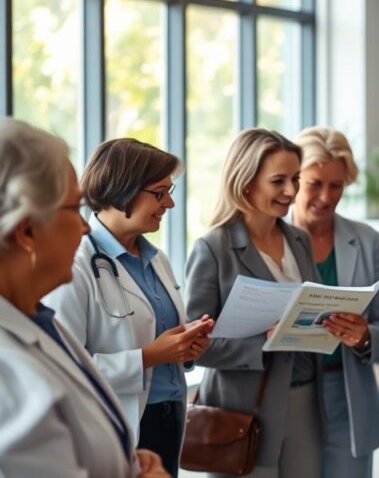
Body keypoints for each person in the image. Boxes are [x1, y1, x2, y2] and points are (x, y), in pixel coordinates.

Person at [0, 118, 169, 477]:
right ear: (27, 230)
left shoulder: (37, 320)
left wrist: (126, 460)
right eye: (74, 209)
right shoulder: (6, 371)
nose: (86, 225)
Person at [44, 139, 214, 477]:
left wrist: (188, 346)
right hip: (117, 422)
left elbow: (163, 338)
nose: (170, 203)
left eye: (170, 191)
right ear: (122, 190)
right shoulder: (74, 264)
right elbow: (64, 370)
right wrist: (149, 356)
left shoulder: (156, 259)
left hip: (170, 415)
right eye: (159, 193)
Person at [185, 128, 324, 477]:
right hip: (241, 408)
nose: (291, 191)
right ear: (246, 182)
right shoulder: (213, 248)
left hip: (304, 400)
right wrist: (263, 341)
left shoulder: (298, 240)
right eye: (278, 181)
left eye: (295, 179)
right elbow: (194, 345)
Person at [290, 126, 379, 478]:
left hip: (347, 392)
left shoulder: (366, 240)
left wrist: (365, 336)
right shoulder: (272, 238)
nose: (325, 196)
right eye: (314, 184)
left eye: (335, 185)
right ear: (294, 181)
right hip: (288, 392)